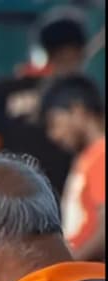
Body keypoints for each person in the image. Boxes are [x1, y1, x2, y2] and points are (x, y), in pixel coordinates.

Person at [0, 10, 88, 194]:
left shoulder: (4, 87)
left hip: (11, 194)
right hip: (58, 196)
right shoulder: (77, 91)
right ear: (70, 52)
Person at [40, 73, 105, 261]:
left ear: (77, 110)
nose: (54, 135)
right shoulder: (89, 156)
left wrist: (70, 266)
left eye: (55, 123)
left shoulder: (101, 154)